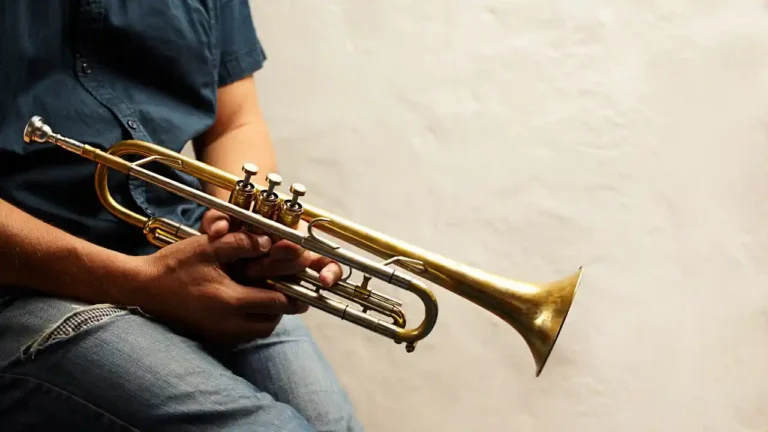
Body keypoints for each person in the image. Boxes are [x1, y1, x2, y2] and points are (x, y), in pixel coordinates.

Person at [0, 1, 364, 431]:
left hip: (186, 250)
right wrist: (139, 281)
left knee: (333, 425)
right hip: (25, 287)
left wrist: (252, 225)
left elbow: (234, 122)